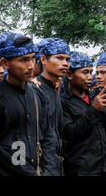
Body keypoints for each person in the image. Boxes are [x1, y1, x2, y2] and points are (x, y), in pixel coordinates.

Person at [0, 32, 58, 176]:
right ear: (5, 63)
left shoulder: (37, 94)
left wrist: (50, 170)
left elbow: (48, 135)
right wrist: (24, 172)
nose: (31, 66)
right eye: (23, 60)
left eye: (33, 59)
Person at [61, 52, 106, 176]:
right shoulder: (63, 102)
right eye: (85, 72)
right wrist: (93, 110)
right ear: (69, 74)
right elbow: (68, 133)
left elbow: (104, 128)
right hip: (82, 170)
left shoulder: (94, 97)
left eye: (91, 72)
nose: (90, 77)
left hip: (104, 167)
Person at [35, 38, 71, 176]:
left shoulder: (54, 89)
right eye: (59, 58)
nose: (65, 63)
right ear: (44, 60)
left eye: (67, 59)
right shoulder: (35, 89)